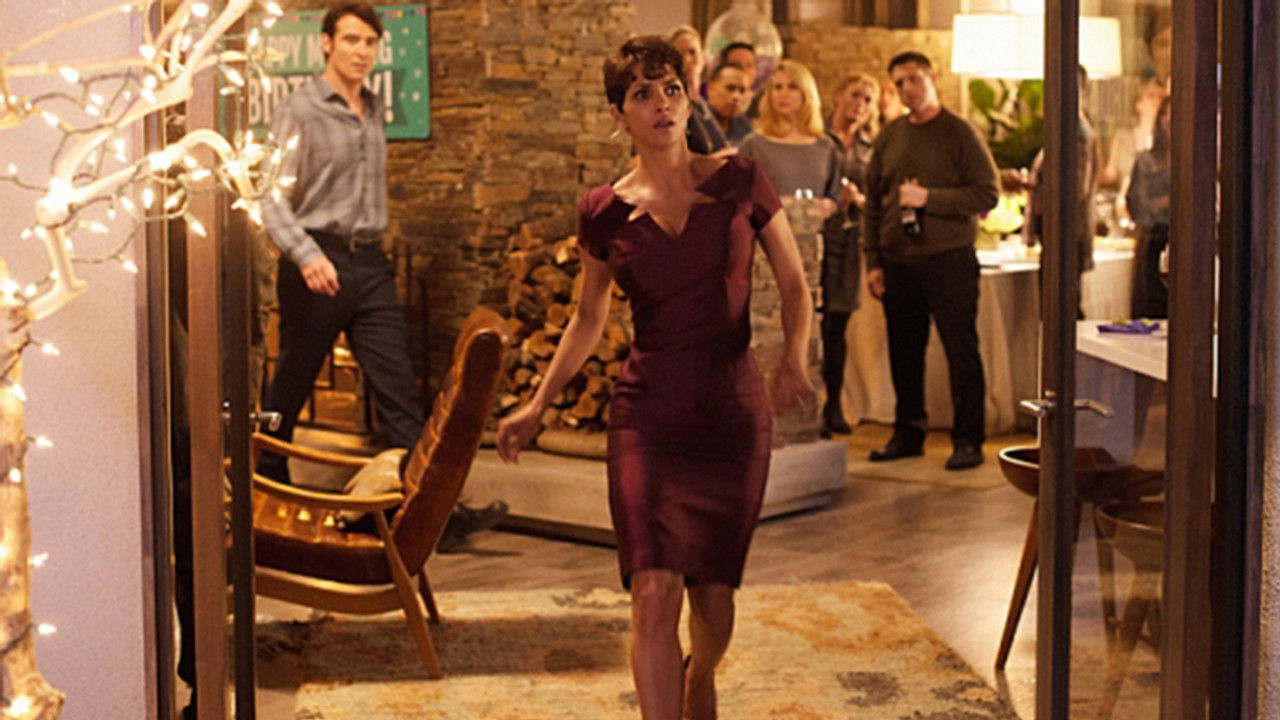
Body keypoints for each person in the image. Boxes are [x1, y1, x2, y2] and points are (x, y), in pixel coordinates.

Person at [495, 36, 813, 720]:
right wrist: (538, 403)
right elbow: (586, 320)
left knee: (714, 602)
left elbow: (793, 283)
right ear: (619, 114)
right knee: (652, 594)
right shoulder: (602, 211)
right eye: (642, 94)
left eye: (671, 89)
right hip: (647, 419)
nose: (661, 104)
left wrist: (795, 355)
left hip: (732, 415)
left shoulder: (741, 181)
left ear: (688, 98)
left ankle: (701, 675)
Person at [257, 4, 506, 544]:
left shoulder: (372, 107)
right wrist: (305, 255)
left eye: (370, 42)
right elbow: (268, 196)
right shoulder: (299, 109)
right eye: (350, 40)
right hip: (316, 263)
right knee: (288, 391)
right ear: (326, 44)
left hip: (370, 265)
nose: (361, 51)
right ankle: (268, 493)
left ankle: (433, 514)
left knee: (400, 392)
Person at [862, 51, 999, 471]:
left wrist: (929, 199)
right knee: (904, 351)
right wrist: (873, 261)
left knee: (960, 350)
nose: (907, 89)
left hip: (948, 258)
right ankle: (908, 433)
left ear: (932, 78)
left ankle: (968, 439)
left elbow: (987, 193)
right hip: (898, 259)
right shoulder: (890, 135)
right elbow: (874, 204)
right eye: (899, 83)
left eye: (914, 79)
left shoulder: (959, 132)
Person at [736, 60, 842, 433]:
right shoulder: (754, 143)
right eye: (777, 87)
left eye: (791, 87)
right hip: (762, 262)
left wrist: (828, 207)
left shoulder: (825, 147)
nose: (783, 94)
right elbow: (739, 198)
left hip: (813, 258)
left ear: (806, 94)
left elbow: (834, 196)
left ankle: (810, 412)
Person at [822, 74, 881, 434]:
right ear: (838, 96)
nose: (860, 104)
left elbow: (880, 198)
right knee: (811, 325)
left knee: (837, 326)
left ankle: (833, 405)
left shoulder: (872, 148)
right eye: (855, 95)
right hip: (816, 239)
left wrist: (859, 199)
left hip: (848, 244)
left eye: (868, 99)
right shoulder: (817, 138)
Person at [1126, 96, 1171, 319]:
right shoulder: (1146, 161)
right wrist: (1167, 202)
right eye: (1168, 115)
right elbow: (1138, 205)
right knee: (1150, 312)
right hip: (1153, 242)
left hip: (1184, 245)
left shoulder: (1194, 163)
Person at [669, 25, 728, 154]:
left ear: (703, 57)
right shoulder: (671, 107)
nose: (687, 60)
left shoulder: (703, 104)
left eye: (692, 52)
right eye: (680, 54)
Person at [705, 63, 752, 145]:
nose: (736, 96)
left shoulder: (743, 124)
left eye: (742, 91)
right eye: (730, 88)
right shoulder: (695, 120)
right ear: (710, 88)